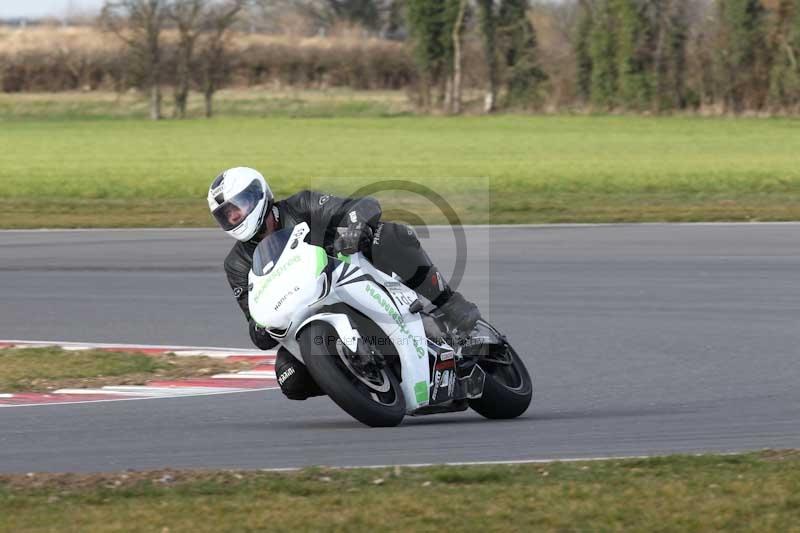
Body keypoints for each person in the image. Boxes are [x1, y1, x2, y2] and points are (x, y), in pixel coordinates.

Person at [208, 166, 481, 400]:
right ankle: (357, 381)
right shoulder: (236, 264)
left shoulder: (301, 205)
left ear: (259, 195)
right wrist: (260, 328)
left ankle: (449, 304)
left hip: (351, 274)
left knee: (388, 236)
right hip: (305, 313)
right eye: (225, 215)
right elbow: (253, 314)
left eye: (237, 207)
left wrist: (353, 229)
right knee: (289, 378)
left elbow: (361, 206)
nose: (233, 218)